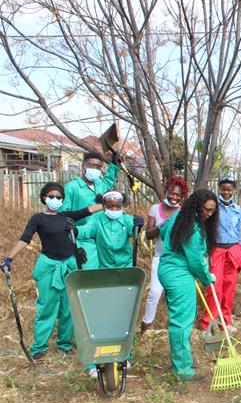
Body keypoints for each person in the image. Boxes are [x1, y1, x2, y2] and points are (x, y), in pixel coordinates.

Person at [1, 182, 102, 360]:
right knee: (47, 307)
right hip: (49, 267)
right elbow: (25, 239)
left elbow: (88, 210)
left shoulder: (66, 216)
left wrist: (108, 200)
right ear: (44, 198)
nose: (55, 200)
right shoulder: (38, 219)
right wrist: (9, 258)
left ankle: (65, 344)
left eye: (59, 197)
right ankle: (39, 347)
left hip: (69, 267)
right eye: (51, 196)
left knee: (68, 308)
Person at [78, 190, 145, 376]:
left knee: (124, 316)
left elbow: (136, 232)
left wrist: (139, 225)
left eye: (118, 206)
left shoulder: (127, 219)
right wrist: (74, 229)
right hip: (104, 273)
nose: (114, 209)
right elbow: (86, 231)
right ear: (104, 205)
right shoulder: (97, 220)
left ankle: (125, 355)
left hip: (126, 274)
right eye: (110, 205)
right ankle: (93, 361)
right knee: (100, 316)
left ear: (122, 205)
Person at [157, 189, 219, 381]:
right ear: (197, 205)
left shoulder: (179, 216)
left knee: (179, 319)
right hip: (178, 273)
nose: (209, 214)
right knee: (182, 321)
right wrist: (207, 278)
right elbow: (195, 259)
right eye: (207, 210)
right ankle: (182, 371)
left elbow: (164, 231)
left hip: (169, 269)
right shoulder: (192, 226)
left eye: (212, 212)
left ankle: (182, 360)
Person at [141, 175, 189, 333]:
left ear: (182, 197)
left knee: (175, 295)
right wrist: (161, 226)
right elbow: (148, 234)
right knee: (155, 292)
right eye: (172, 193)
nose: (174, 197)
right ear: (166, 191)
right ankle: (145, 327)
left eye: (178, 195)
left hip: (178, 260)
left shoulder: (183, 212)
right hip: (160, 258)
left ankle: (175, 328)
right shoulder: (155, 209)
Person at [200, 176, 241, 333]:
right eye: (224, 189)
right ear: (219, 189)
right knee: (214, 287)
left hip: (233, 251)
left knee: (229, 287)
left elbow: (239, 231)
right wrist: (205, 253)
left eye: (229, 189)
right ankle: (208, 323)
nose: (226, 192)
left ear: (233, 190)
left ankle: (225, 321)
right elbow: (206, 230)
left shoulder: (237, 209)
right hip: (217, 250)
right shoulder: (213, 207)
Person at [62, 150, 120, 269]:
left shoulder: (100, 185)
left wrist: (114, 164)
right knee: (88, 274)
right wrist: (73, 245)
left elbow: (108, 182)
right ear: (83, 166)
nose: (95, 169)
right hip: (83, 238)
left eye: (98, 167)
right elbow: (63, 216)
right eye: (92, 165)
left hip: (103, 238)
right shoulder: (72, 187)